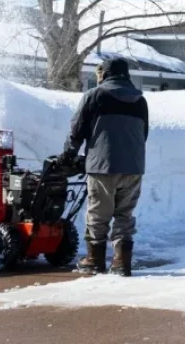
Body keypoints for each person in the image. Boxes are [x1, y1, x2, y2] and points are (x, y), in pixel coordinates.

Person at [61, 57, 149, 277]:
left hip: (103, 166)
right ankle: (121, 262)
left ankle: (94, 259)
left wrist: (68, 155)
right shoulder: (140, 101)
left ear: (105, 74)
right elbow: (143, 134)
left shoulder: (95, 96)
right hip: (133, 167)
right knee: (124, 214)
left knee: (98, 213)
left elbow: (77, 130)